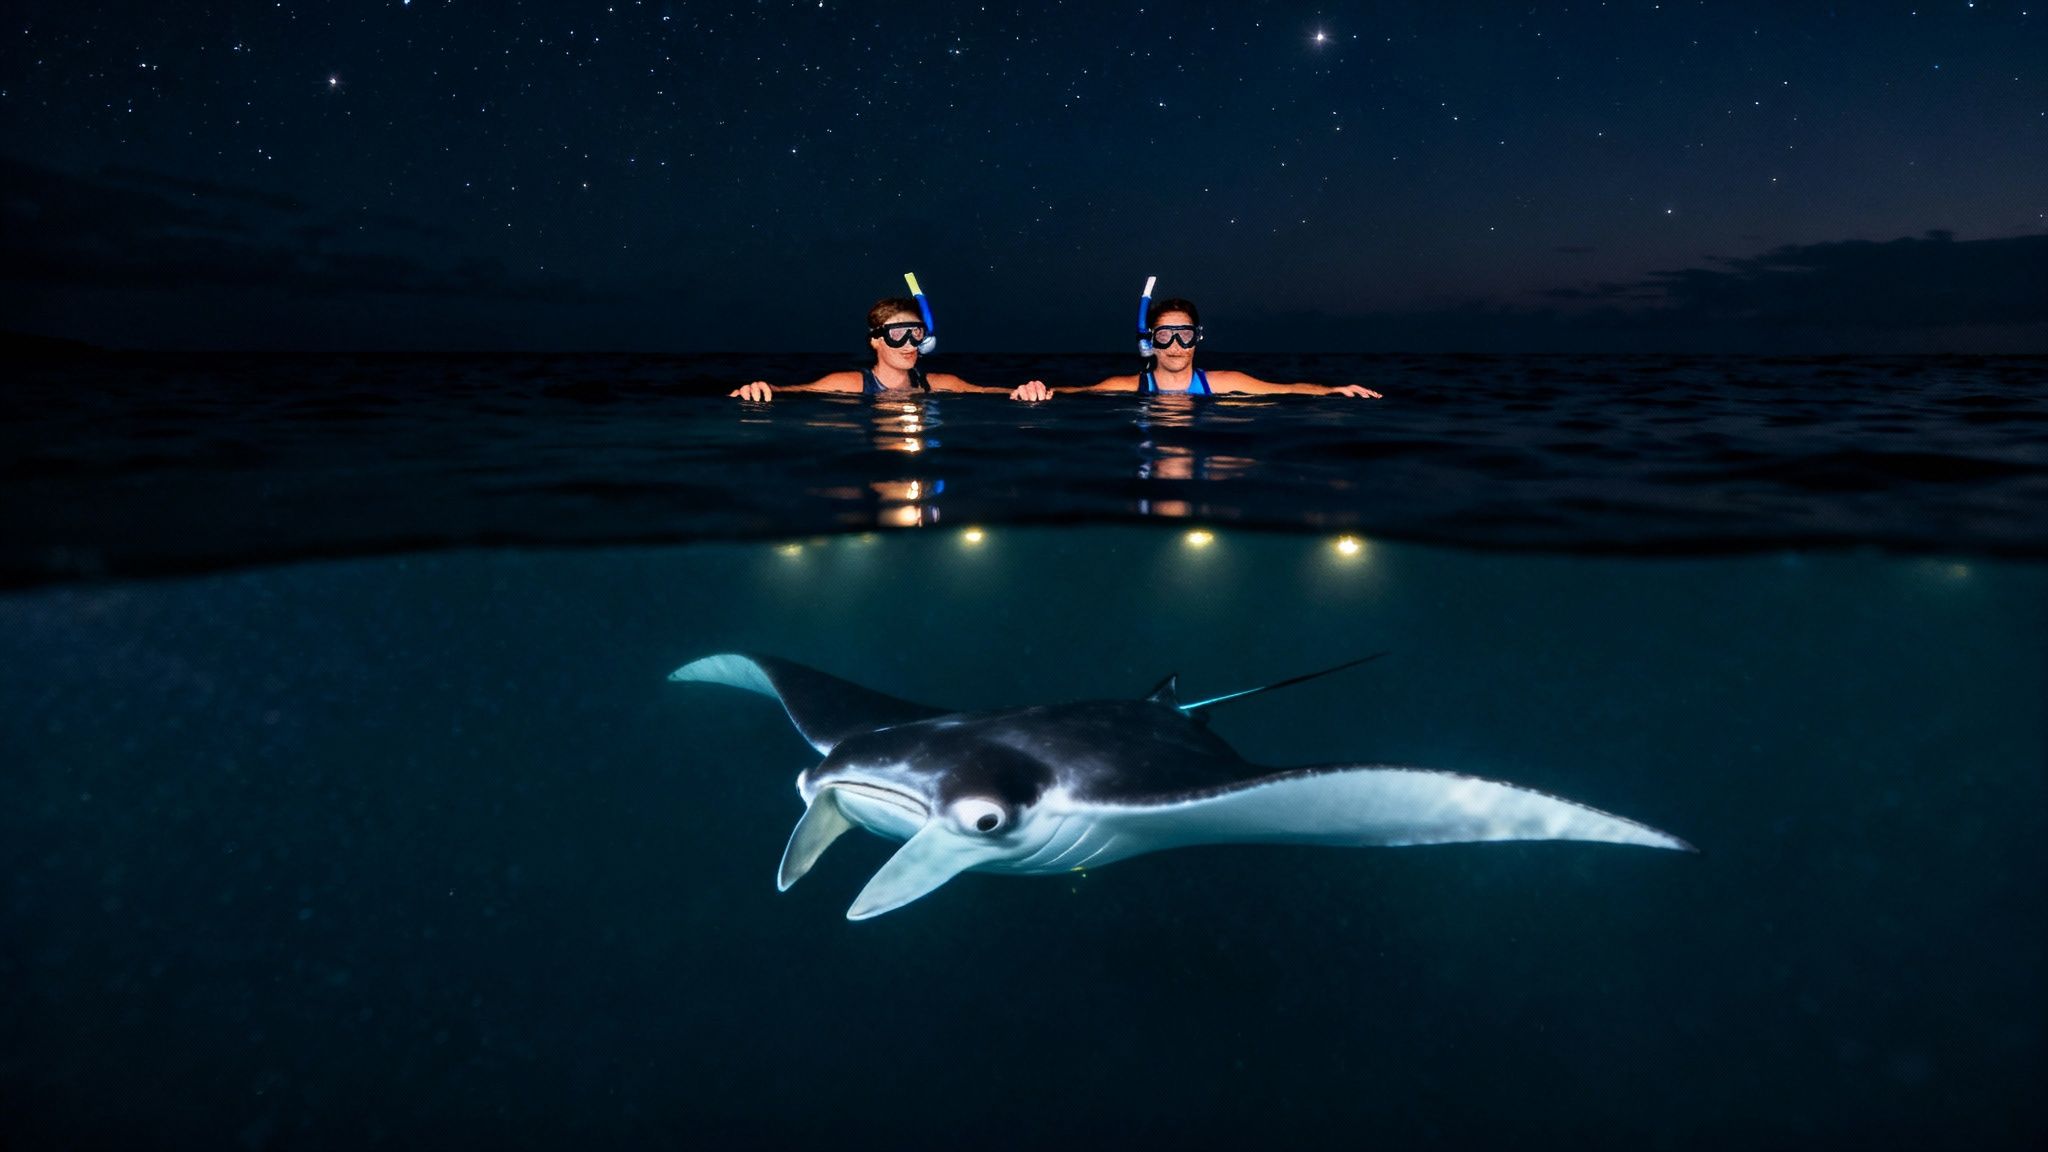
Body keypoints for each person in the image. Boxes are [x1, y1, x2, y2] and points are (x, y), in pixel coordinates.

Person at [730, 297, 1049, 402]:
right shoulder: (853, 384)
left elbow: (988, 391)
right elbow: (792, 390)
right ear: (876, 339)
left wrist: (1027, 390)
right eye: (898, 334)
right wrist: (759, 388)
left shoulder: (938, 384)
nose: (909, 343)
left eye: (916, 333)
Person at [1079, 298, 1382, 398]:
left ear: (1197, 338)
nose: (1174, 345)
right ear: (1149, 342)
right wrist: (1037, 391)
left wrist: (1331, 391)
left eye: (1183, 334)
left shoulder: (1224, 383)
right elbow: (1072, 393)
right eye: (1164, 335)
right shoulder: (1127, 386)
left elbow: (1284, 389)